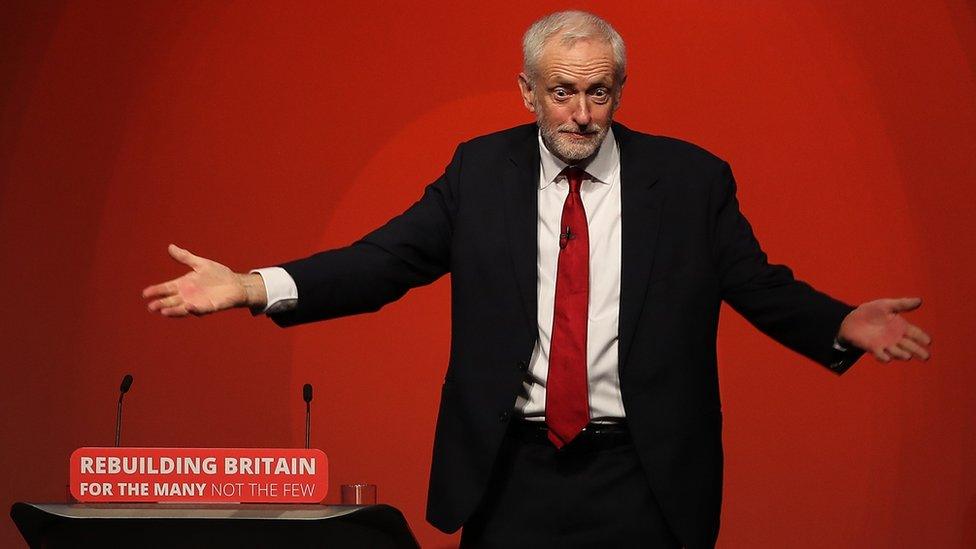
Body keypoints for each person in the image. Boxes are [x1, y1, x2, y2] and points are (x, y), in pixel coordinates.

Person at [143, 10, 931, 548]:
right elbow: (384, 260)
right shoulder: (480, 172)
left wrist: (838, 322)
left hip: (646, 478)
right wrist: (252, 285)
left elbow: (756, 282)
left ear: (620, 90)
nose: (581, 113)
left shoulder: (691, 180)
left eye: (598, 91)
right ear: (528, 93)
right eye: (562, 92)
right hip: (510, 474)